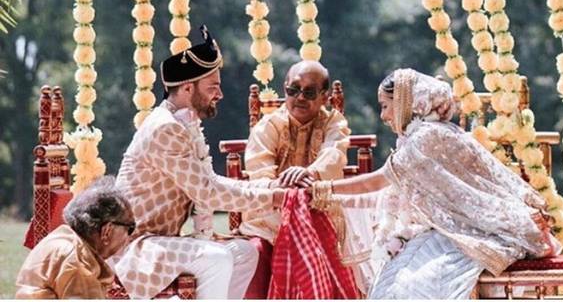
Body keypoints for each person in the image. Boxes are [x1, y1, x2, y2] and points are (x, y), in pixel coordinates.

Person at [311, 68, 560, 299]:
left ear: (405, 104)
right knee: (399, 271)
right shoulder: (430, 133)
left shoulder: (425, 138)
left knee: (410, 281)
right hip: (460, 228)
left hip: (477, 231)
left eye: (386, 106)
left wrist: (322, 188)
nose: (383, 116)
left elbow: (376, 181)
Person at [112, 26, 289, 300]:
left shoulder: (182, 125)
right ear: (186, 88)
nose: (219, 95)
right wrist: (273, 198)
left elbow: (210, 182)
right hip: (137, 247)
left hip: (164, 242)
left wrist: (270, 188)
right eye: (212, 87)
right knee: (216, 259)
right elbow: (207, 192)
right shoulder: (165, 128)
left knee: (245, 253)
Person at [238, 59, 352, 296]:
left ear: (324, 97)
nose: (300, 97)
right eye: (293, 90)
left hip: (321, 219)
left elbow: (334, 154)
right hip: (270, 226)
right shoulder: (267, 127)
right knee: (254, 251)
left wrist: (308, 172)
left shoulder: (334, 122)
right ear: (285, 89)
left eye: (309, 92)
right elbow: (259, 177)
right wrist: (287, 192)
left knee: (335, 248)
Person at [15, 176, 134, 299]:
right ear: (107, 231)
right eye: (130, 228)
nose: (130, 237)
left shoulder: (59, 239)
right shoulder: (77, 262)